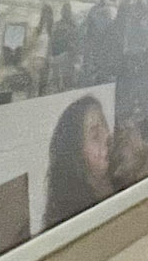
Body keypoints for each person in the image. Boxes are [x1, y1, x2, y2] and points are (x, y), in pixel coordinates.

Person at [42, 94, 112, 229]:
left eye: (105, 125)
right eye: (96, 136)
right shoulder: (73, 219)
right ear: (77, 157)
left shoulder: (123, 176)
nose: (107, 135)